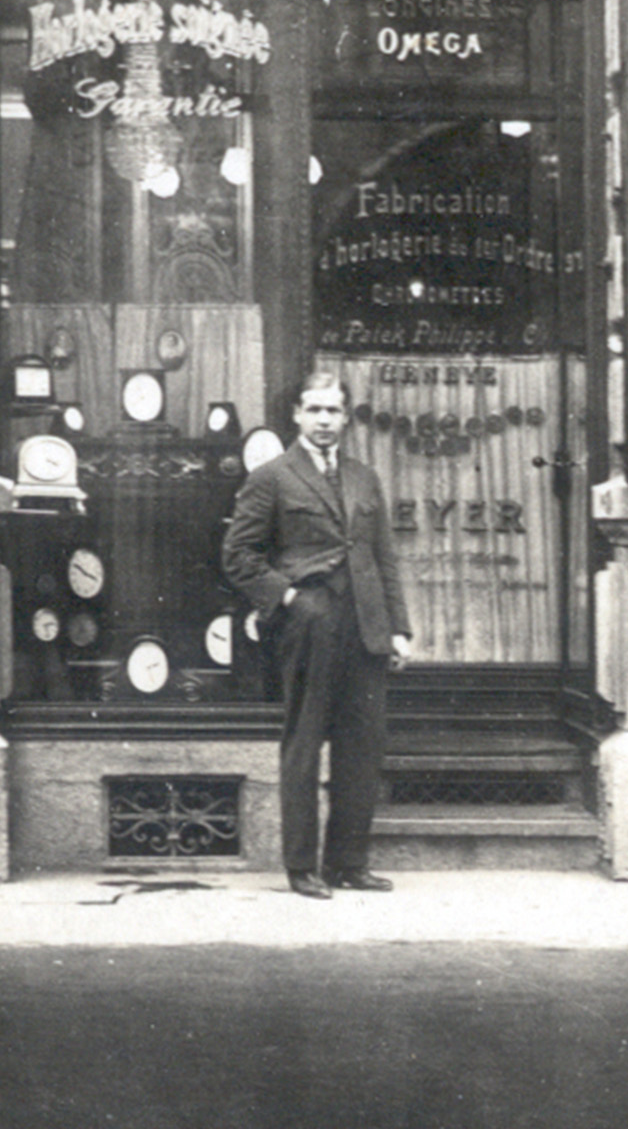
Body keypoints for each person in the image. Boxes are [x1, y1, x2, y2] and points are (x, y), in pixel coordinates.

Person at [221, 357, 412, 898]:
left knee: (362, 747)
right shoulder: (272, 477)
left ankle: (348, 863)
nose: (324, 420)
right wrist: (289, 598)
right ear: (297, 415)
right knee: (304, 743)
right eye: (315, 410)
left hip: (365, 627)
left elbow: (383, 558)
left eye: (334, 410)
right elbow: (237, 556)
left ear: (347, 417)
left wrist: (398, 629)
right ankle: (302, 866)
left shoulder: (363, 477)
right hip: (309, 625)